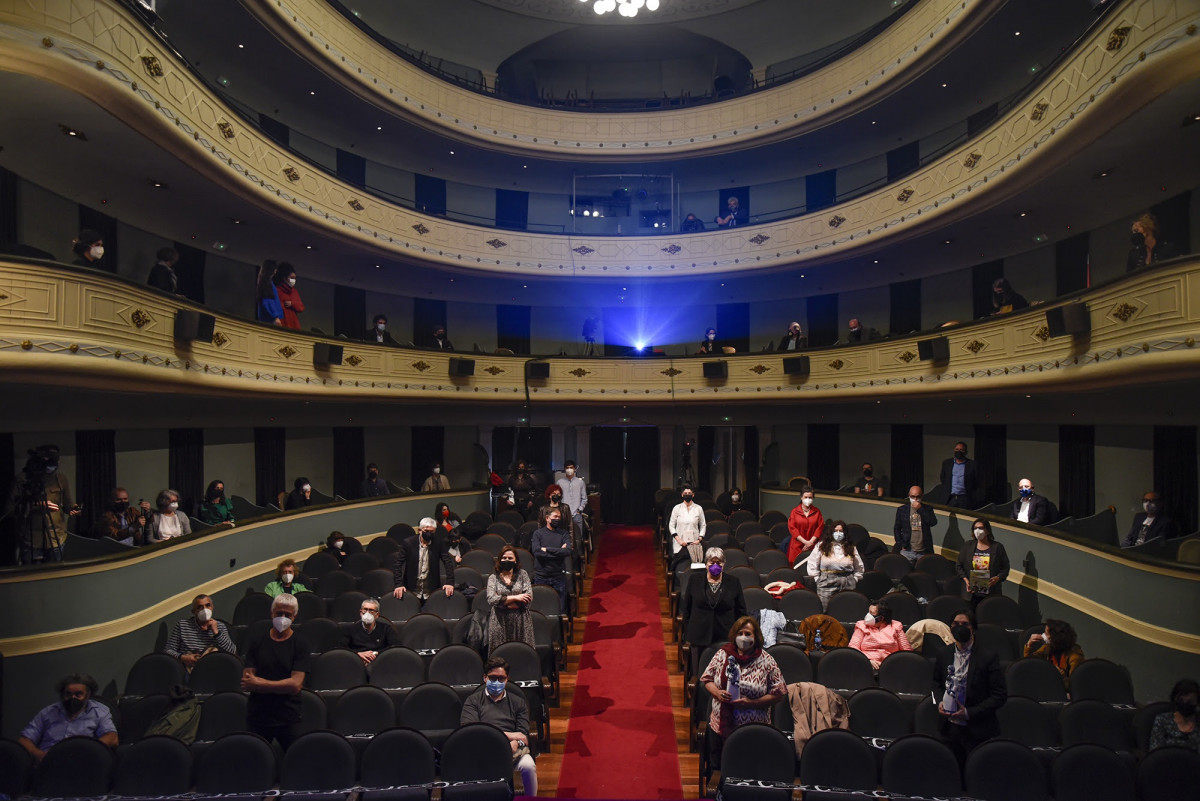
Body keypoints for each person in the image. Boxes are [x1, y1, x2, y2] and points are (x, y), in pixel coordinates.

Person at [700, 616, 787, 769]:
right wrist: (717, 693)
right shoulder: (723, 654)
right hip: (720, 726)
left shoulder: (767, 661)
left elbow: (779, 693)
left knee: (747, 768)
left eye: (748, 634)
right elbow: (707, 679)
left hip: (753, 730)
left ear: (756, 637)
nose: (743, 638)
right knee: (718, 768)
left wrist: (752, 703)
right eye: (740, 633)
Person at [933, 609, 1007, 763]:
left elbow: (999, 695)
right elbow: (935, 684)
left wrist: (968, 712)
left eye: (965, 624)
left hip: (977, 729)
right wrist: (939, 702)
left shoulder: (988, 657)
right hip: (948, 729)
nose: (960, 627)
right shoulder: (943, 653)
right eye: (956, 624)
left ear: (973, 628)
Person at [241, 593, 311, 750]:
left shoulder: (300, 644)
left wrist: (260, 683)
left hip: (288, 716)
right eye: (279, 613)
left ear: (294, 617)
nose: (283, 617)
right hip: (258, 715)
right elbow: (248, 682)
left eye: (288, 614)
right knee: (254, 760)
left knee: (296, 760)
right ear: (272, 613)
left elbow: (295, 685)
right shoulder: (257, 640)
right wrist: (279, 686)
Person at [460, 657, 538, 796]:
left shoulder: (518, 702)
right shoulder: (473, 701)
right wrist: (509, 736)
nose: (497, 682)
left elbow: (523, 737)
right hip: (482, 750)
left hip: (512, 752)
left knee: (528, 766)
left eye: (501, 678)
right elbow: (469, 732)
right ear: (485, 678)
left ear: (507, 679)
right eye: (492, 677)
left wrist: (516, 742)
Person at [19, 673, 117, 761]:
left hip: (82, 762)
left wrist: (89, 751)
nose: (72, 698)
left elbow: (112, 738)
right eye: (68, 694)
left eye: (78, 694)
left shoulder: (99, 711)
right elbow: (24, 740)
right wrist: (39, 754)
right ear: (62, 694)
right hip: (49, 761)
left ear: (88, 695)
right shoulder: (48, 712)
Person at [682, 548, 747, 677]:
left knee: (722, 675)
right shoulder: (694, 580)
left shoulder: (733, 582)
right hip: (698, 635)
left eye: (719, 562)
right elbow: (687, 609)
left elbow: (741, 611)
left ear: (724, 564)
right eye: (712, 563)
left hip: (725, 635)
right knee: (698, 674)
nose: (715, 566)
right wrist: (688, 632)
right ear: (706, 564)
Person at [9, 444, 78, 564]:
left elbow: (67, 503)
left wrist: (73, 509)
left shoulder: (60, 479)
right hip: (31, 540)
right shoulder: (23, 479)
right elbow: (11, 509)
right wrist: (37, 505)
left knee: (55, 574)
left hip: (56, 537)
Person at [164, 594, 237, 668]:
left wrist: (216, 633)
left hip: (213, 668)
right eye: (200, 607)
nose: (205, 610)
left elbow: (232, 652)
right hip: (189, 669)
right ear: (194, 611)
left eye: (207, 605)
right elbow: (167, 651)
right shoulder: (182, 625)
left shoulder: (220, 626)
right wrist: (182, 657)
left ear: (212, 607)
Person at [486, 545, 535, 654]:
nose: (507, 560)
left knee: (522, 654)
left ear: (515, 560)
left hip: (521, 620)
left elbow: (528, 599)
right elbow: (491, 599)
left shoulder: (523, 575)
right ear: (499, 559)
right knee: (500, 654)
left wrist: (503, 602)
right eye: (504, 558)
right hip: (499, 621)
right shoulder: (493, 578)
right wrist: (516, 597)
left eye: (510, 558)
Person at [393, 518, 456, 602]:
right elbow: (398, 564)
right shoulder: (408, 543)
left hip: (431, 589)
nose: (429, 534)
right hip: (412, 589)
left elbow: (448, 562)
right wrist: (398, 584)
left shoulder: (438, 543)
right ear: (419, 530)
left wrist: (449, 582)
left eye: (432, 532)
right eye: (426, 531)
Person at [807, 521, 864, 611]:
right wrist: (817, 579)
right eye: (835, 531)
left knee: (846, 610)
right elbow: (812, 564)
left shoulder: (851, 547)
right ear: (831, 532)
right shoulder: (821, 546)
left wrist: (855, 579)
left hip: (847, 582)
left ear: (845, 533)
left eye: (841, 531)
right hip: (826, 581)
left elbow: (859, 567)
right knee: (825, 610)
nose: (838, 533)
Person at [956, 519, 1010, 607]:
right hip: (971, 593)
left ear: (987, 531)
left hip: (991, 593)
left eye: (981, 528)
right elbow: (959, 565)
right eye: (975, 528)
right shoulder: (967, 546)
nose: (978, 531)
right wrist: (966, 580)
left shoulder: (997, 547)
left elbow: (1005, 568)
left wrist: (997, 578)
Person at [1023, 619, 1085, 692]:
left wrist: (1060, 674)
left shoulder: (1075, 656)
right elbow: (1029, 663)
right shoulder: (1048, 647)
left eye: (1046, 634)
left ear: (1055, 637)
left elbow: (1074, 685)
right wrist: (1029, 645)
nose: (1043, 635)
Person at [531, 506, 572, 613]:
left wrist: (547, 549)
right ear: (547, 518)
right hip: (541, 576)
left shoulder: (564, 534)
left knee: (560, 609)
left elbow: (567, 551)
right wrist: (558, 552)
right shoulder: (538, 534)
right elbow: (537, 553)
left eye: (559, 517)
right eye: (555, 517)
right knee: (541, 607)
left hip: (558, 576)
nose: (557, 519)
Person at [849, 601, 913, 669]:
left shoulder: (896, 626)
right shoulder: (862, 625)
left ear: (881, 618)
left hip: (891, 665)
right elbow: (853, 648)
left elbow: (907, 650)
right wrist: (867, 660)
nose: (867, 616)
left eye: (872, 614)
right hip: (865, 664)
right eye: (868, 612)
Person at [1149, 678, 1199, 751]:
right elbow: (1156, 752)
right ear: (1175, 699)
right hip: (1168, 760)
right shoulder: (1163, 720)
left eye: (1190, 701)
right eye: (1181, 700)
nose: (1185, 703)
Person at [342, 597, 397, 664]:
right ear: (360, 612)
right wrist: (357, 654)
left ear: (377, 615)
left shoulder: (386, 628)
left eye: (371, 610)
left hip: (380, 662)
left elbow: (395, 647)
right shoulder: (350, 629)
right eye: (365, 610)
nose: (367, 613)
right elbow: (342, 648)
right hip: (357, 662)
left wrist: (376, 653)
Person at [894, 485, 937, 560]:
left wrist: (920, 509)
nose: (915, 499)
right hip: (907, 551)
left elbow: (932, 522)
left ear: (922, 496)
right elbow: (897, 528)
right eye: (913, 496)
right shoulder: (902, 509)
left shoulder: (928, 509)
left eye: (918, 497)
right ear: (909, 496)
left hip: (924, 551)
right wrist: (901, 544)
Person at [786, 486, 823, 565]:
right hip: (797, 546)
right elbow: (792, 528)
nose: (808, 499)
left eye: (810, 497)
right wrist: (805, 542)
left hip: (812, 546)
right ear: (801, 497)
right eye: (805, 497)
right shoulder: (794, 511)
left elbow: (819, 528)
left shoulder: (817, 512)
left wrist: (810, 542)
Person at [669, 485, 706, 564]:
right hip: (680, 543)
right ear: (682, 495)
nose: (687, 494)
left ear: (693, 495)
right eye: (685, 493)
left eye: (689, 493)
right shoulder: (677, 508)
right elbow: (671, 526)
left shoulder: (698, 508)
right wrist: (679, 540)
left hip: (695, 543)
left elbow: (703, 525)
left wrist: (699, 539)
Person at [939, 441, 980, 509]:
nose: (959, 451)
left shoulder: (972, 465)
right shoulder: (947, 463)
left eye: (961, 450)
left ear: (965, 452)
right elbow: (943, 478)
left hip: (965, 499)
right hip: (950, 498)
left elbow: (977, 481)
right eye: (957, 449)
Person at [557, 460, 587, 533]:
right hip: (564, 514)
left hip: (577, 514)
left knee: (578, 536)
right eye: (567, 467)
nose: (569, 469)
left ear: (574, 469)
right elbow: (557, 498)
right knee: (564, 535)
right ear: (564, 469)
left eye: (571, 467)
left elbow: (584, 498)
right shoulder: (559, 482)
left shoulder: (580, 482)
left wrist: (580, 510)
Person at [273, 262, 304, 330]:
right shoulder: (277, 291)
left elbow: (301, 307)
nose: (294, 280)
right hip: (282, 324)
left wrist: (292, 304)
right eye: (292, 278)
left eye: (295, 278)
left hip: (294, 325)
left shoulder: (294, 292)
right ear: (284, 278)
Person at [256, 260, 283, 325]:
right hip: (270, 320)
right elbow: (268, 301)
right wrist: (275, 317)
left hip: (270, 319)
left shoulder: (266, 282)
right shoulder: (267, 284)